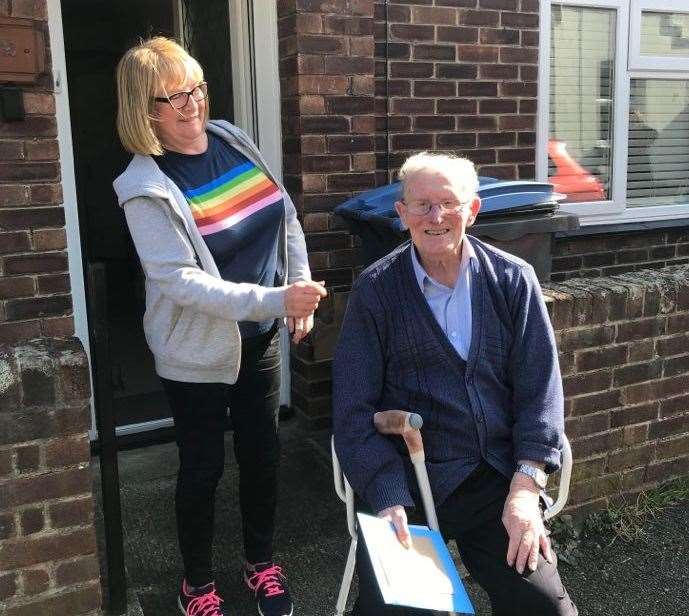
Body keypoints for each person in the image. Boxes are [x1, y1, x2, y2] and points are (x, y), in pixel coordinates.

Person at [113, 37, 326, 616]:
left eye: (196, 87)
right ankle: (197, 585)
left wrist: (298, 292)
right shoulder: (144, 187)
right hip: (197, 351)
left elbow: (283, 215)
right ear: (143, 108)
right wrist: (278, 297)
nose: (192, 104)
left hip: (258, 339)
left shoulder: (232, 139)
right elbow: (181, 282)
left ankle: (262, 563)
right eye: (173, 95)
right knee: (202, 468)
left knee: (263, 455)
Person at [333, 152, 578, 616]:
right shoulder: (376, 290)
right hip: (404, 482)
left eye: (448, 202)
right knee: (405, 609)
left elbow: (540, 393)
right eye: (421, 204)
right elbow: (350, 410)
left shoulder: (513, 280)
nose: (436, 216)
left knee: (544, 608)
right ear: (401, 214)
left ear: (473, 210)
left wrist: (526, 487)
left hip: (494, 480)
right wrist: (387, 497)